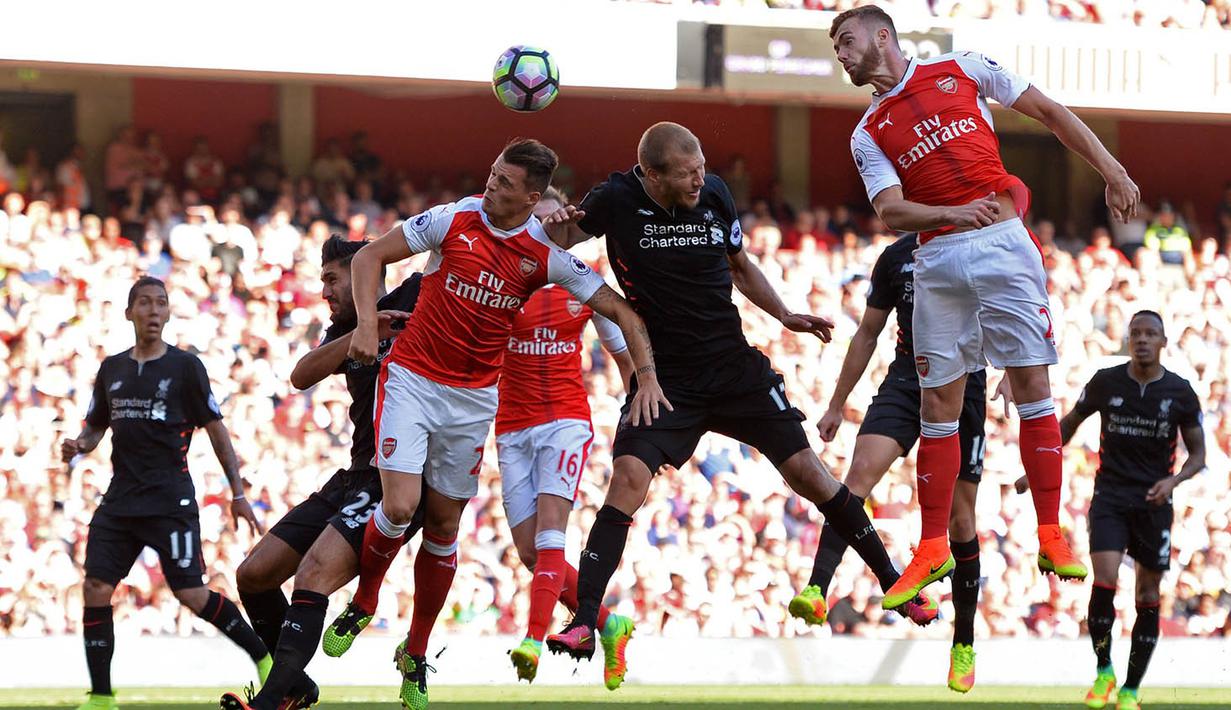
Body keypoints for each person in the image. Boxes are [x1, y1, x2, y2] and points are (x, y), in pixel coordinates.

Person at [540, 122, 932, 670]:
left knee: (812, 477)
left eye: (701, 165)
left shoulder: (716, 194)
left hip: (732, 368)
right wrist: (553, 223)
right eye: (686, 172)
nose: (701, 177)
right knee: (627, 478)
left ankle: (896, 583)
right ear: (651, 175)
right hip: (667, 379)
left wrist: (786, 315)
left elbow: (740, 266)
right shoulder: (615, 200)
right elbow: (556, 245)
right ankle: (585, 619)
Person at [315, 138, 665, 710]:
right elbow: (367, 257)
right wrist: (364, 327)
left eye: (504, 182)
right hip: (413, 380)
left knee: (445, 529)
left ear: (531, 198)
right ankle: (365, 602)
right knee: (401, 506)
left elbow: (621, 311)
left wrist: (645, 376)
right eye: (493, 174)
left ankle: (416, 652)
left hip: (475, 403)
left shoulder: (545, 259)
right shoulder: (454, 219)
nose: (491, 185)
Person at [830, 5, 1141, 607]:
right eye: (836, 47)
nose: (840, 53)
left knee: (1031, 386)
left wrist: (1112, 169)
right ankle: (929, 548)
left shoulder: (962, 67)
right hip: (938, 259)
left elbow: (1049, 111)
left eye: (846, 40)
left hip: (1002, 243)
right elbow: (891, 211)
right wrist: (948, 214)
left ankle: (1050, 532)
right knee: (937, 404)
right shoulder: (866, 131)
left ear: (882, 36)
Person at [220, 237, 424, 710]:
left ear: (363, 276)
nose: (324, 290)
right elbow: (301, 375)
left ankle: (270, 702)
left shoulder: (414, 296)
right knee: (253, 575)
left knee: (312, 574)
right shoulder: (344, 331)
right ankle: (295, 685)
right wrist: (364, 334)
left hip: (399, 479)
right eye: (323, 280)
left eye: (333, 279)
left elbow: (444, 254)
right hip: (353, 476)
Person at [61, 277, 270, 710]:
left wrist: (238, 492)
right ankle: (101, 697)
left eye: (161, 304)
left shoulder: (185, 367)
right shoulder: (112, 369)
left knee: (191, 595)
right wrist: (80, 445)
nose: (153, 311)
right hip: (120, 500)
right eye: (144, 303)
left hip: (169, 498)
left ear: (169, 314)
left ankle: (263, 657)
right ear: (128, 313)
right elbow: (97, 425)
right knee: (96, 586)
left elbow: (215, 429)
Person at [815, 233, 987, 692]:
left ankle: (963, 643)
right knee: (854, 483)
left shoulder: (974, 247)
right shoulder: (895, 257)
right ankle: (816, 589)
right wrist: (836, 404)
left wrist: (1012, 371)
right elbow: (867, 332)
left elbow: (1006, 313)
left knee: (960, 518)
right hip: (908, 379)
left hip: (964, 383)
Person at [1015, 311, 1205, 710]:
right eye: (1136, 332)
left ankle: (1131, 689)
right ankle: (1104, 672)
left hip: (1154, 503)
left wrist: (1174, 482)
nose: (1142, 339)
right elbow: (1067, 424)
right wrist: (1035, 469)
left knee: (1148, 595)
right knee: (1103, 581)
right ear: (1127, 339)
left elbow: (1199, 453)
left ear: (1163, 342)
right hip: (1111, 498)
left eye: (1150, 333)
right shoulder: (1106, 382)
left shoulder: (1181, 392)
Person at [498, 188, 637, 689]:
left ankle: (533, 639)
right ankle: (607, 623)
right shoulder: (502, 277)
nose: (538, 229)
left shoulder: (584, 284)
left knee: (551, 530)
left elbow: (624, 358)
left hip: (565, 420)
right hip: (511, 426)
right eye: (530, 220)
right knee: (529, 551)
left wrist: (639, 424)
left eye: (548, 220)